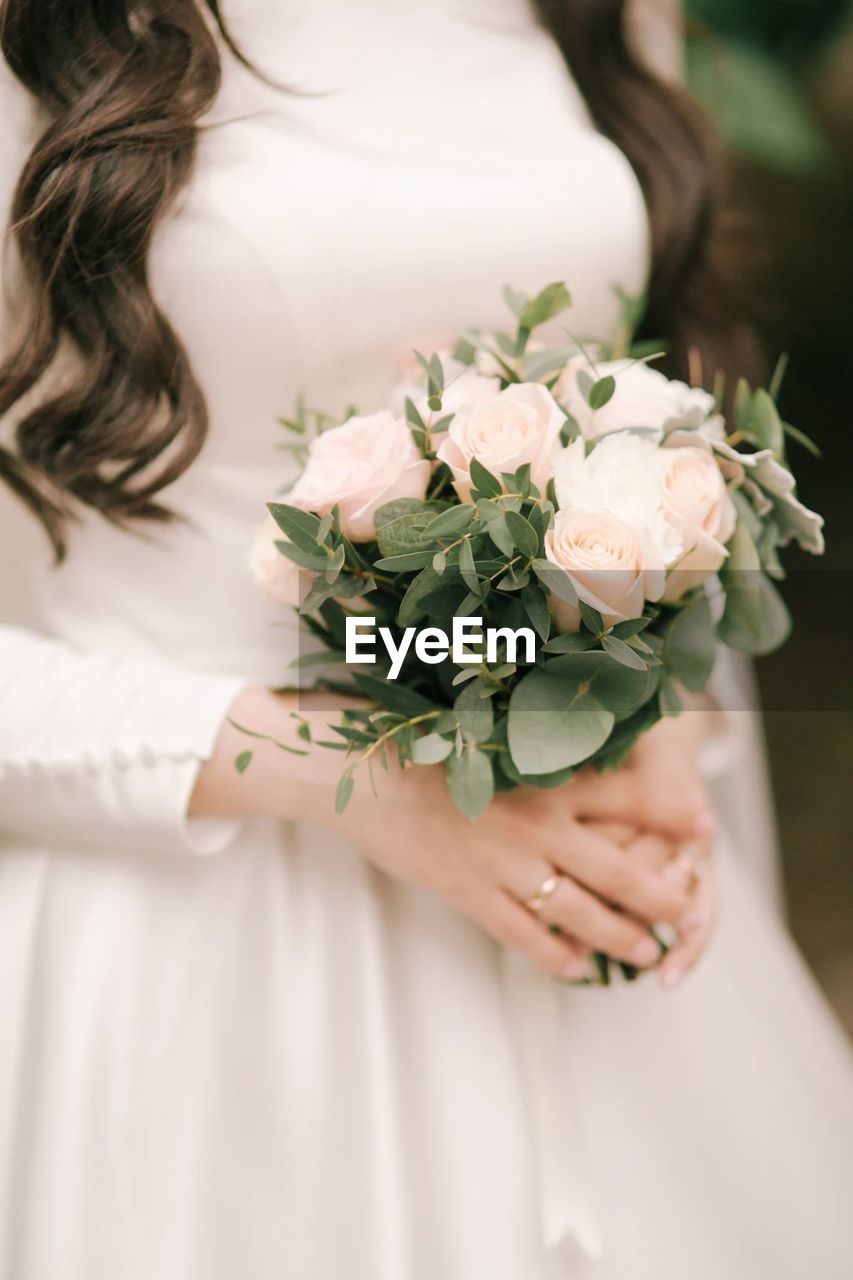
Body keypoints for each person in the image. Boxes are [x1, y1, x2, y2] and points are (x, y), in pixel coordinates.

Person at [0, 2, 851, 1277]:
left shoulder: (606, 13)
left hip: (566, 886)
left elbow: (634, 408)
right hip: (184, 949)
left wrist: (651, 701)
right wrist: (367, 777)